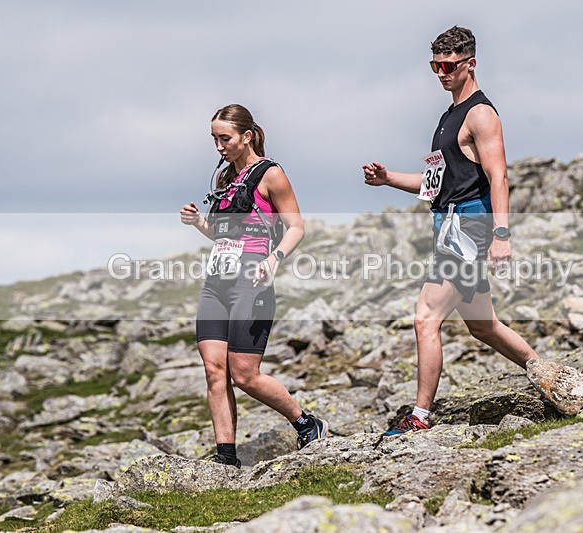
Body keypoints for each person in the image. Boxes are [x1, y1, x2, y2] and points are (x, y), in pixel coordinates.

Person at [362, 26, 539, 435]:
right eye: (434, 65)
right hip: (450, 224)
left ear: (470, 64)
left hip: (470, 228)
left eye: (448, 65)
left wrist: (501, 236)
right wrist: (389, 178)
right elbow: (434, 183)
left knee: (426, 318)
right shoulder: (448, 116)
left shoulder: (480, 114)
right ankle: (548, 375)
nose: (441, 73)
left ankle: (420, 417)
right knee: (483, 326)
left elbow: (499, 178)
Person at [181, 104, 327, 466]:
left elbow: (297, 227)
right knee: (214, 370)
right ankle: (226, 457)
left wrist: (274, 258)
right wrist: (199, 222)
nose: (219, 146)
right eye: (214, 139)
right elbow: (221, 233)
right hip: (217, 281)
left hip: (253, 281)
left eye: (225, 138)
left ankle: (306, 422)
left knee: (244, 374)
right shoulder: (223, 179)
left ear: (246, 136)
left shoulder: (271, 174)